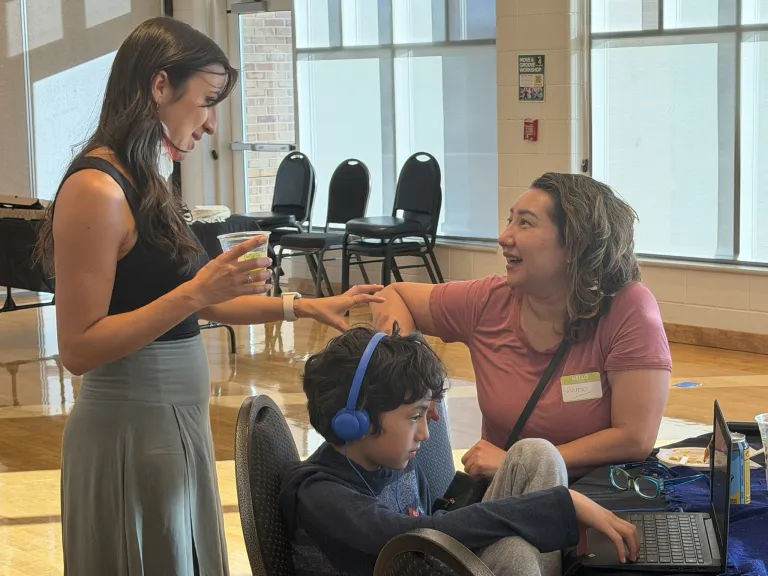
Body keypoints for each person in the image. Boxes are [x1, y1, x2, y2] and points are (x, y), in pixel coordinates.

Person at [32, 17, 383, 576]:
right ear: (160, 86)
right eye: (208, 101)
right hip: (130, 428)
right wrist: (194, 292)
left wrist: (303, 306)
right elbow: (78, 346)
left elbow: (203, 305)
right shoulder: (97, 188)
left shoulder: (149, 176)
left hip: (173, 423)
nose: (214, 124)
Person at [371, 173, 672, 480]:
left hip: (596, 500)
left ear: (574, 246)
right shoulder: (488, 301)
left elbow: (634, 438)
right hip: (510, 501)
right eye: (509, 220)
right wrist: (414, 383)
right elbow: (393, 296)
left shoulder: (628, 306)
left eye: (525, 223)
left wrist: (521, 463)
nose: (504, 237)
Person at [280, 326, 638, 576]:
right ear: (353, 422)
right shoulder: (321, 494)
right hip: (421, 555)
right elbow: (412, 535)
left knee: (534, 454)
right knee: (512, 552)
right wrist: (563, 503)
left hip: (428, 563)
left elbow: (431, 518)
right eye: (415, 416)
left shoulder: (387, 458)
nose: (425, 431)